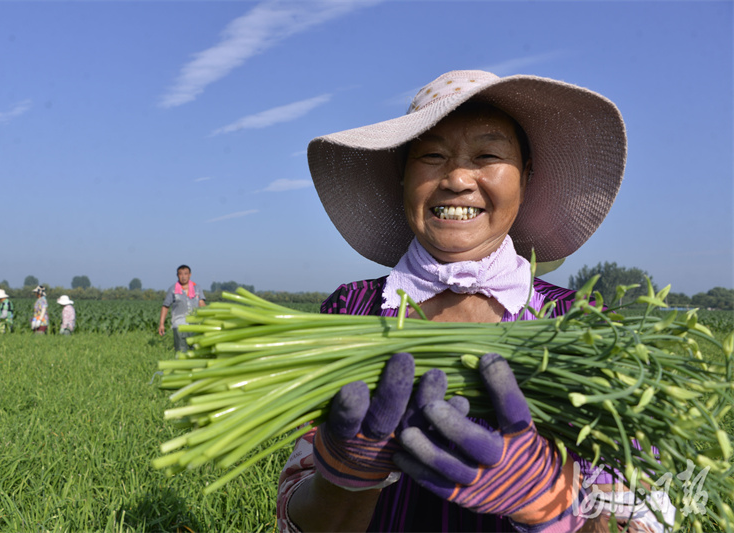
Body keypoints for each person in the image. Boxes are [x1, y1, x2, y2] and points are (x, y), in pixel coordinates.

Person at [277, 70, 674, 532]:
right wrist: (345, 479)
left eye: (487, 155)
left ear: (525, 178)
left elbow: (643, 520)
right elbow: (306, 520)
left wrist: (551, 505)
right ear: (403, 177)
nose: (458, 178)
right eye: (432, 155)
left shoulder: (583, 328)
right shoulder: (350, 314)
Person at [158, 265, 206, 352]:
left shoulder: (197, 288)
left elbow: (201, 303)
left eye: (186, 274)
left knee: (196, 351)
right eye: (180, 274)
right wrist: (161, 324)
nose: (183, 276)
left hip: (195, 325)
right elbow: (165, 306)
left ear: (190, 275)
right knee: (181, 351)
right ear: (177, 275)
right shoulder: (172, 289)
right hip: (179, 325)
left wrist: (208, 318)